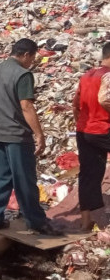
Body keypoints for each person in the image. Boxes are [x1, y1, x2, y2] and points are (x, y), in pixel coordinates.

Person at [0, 38, 62, 235]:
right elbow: (26, 106)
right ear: (26, 54)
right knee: (24, 179)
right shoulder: (23, 74)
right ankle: (36, 221)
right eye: (32, 58)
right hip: (16, 135)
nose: (32, 62)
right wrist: (39, 135)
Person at [73, 41, 110, 231]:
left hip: (84, 130)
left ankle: (86, 221)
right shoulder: (108, 76)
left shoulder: (86, 75)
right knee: (90, 173)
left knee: (88, 174)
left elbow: (76, 104)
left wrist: (81, 123)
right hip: (103, 129)